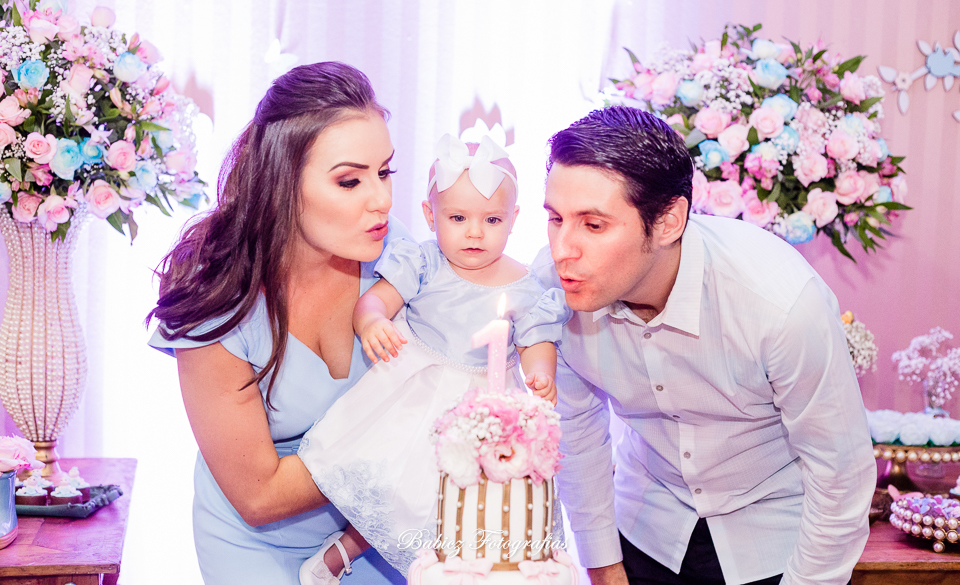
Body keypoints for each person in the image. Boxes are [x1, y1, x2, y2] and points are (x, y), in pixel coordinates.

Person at [531, 107, 876, 585]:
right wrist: (603, 565)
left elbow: (840, 471)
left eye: (593, 225)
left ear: (669, 220)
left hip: (774, 541)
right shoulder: (552, 294)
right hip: (644, 527)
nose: (562, 249)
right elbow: (578, 431)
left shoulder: (777, 304)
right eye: (554, 218)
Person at [148, 62, 407, 584]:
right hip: (256, 546)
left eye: (384, 172)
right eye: (350, 180)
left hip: (379, 533)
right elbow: (260, 496)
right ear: (283, 180)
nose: (380, 199)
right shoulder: (216, 291)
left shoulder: (393, 253)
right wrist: (412, 439)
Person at [296, 133, 571, 584]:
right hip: (414, 393)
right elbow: (374, 302)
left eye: (492, 218)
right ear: (430, 215)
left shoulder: (527, 286)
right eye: (458, 217)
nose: (475, 232)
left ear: (515, 219)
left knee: (473, 514)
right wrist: (373, 322)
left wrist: (541, 375)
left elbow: (536, 342)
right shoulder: (424, 263)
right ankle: (343, 550)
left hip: (483, 412)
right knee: (391, 487)